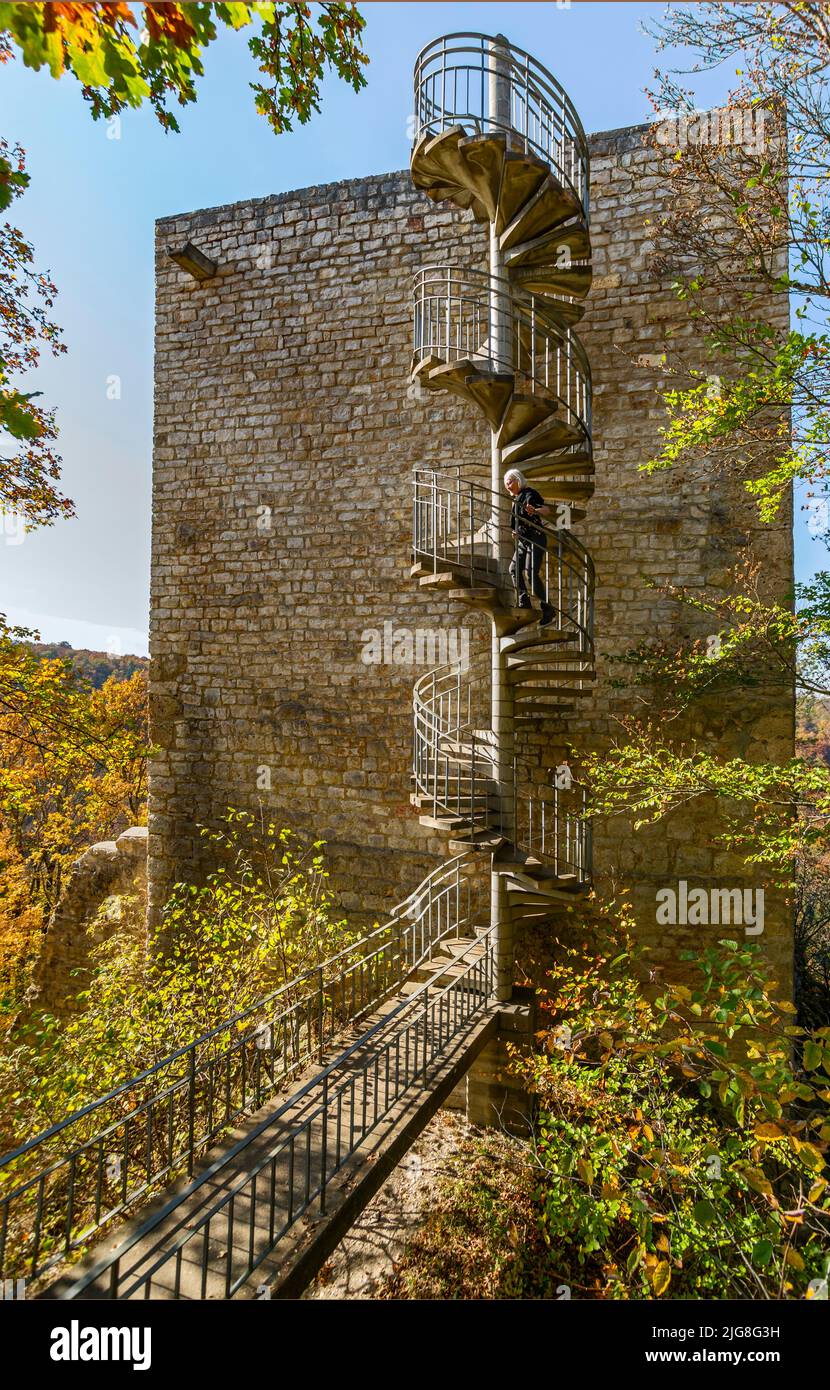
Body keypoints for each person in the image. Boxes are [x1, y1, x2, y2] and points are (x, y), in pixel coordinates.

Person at [504, 468, 556, 627]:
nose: (508, 485)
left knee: (531, 573)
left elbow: (546, 510)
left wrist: (535, 510)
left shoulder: (529, 494)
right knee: (514, 569)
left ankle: (548, 608)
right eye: (506, 483)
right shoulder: (515, 500)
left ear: (518, 480)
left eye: (510, 481)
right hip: (523, 540)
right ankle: (524, 601)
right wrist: (516, 532)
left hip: (536, 537)